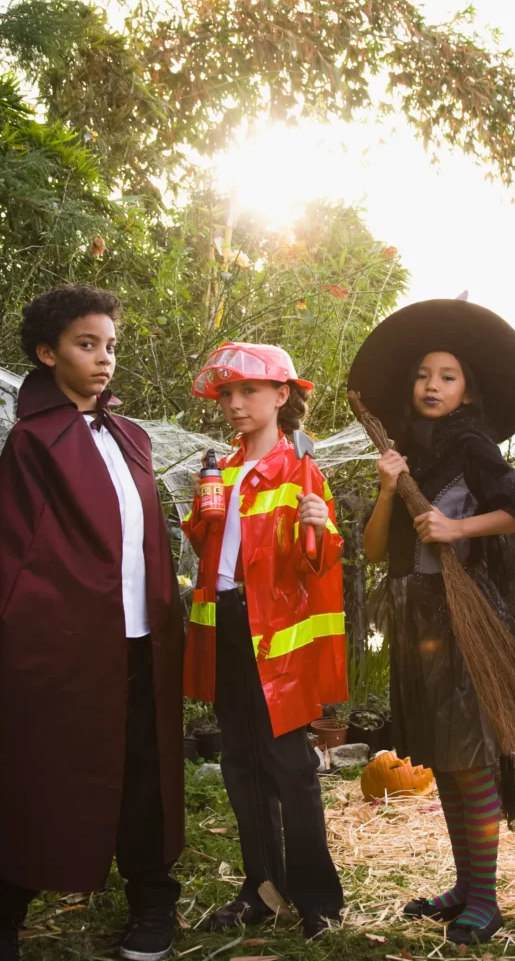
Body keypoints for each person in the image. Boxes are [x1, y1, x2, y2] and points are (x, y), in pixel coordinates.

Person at [349, 299, 515, 946]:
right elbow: (377, 550)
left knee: (471, 762)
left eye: (447, 375)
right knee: (445, 760)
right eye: (422, 375)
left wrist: (459, 525)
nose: (431, 385)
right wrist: (387, 489)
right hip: (417, 619)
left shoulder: (470, 446)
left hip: (467, 623)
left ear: (468, 391)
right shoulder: (405, 451)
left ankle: (485, 901)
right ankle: (465, 887)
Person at [0, 285, 185, 961]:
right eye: (86, 344)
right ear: (48, 354)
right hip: (68, 643)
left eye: (110, 345)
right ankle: (10, 903)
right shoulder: (30, 442)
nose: (104, 358)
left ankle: (151, 897)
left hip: (143, 637)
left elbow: (146, 537)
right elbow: (20, 550)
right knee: (44, 764)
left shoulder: (132, 437)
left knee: (146, 767)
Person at [182, 342, 347, 940]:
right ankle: (261, 888)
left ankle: (318, 898)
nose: (234, 403)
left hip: (275, 633)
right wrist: (200, 520)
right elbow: (211, 552)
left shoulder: (300, 469)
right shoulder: (219, 470)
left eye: (248, 390)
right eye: (226, 393)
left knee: (291, 764)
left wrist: (315, 527)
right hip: (224, 624)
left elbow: (322, 560)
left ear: (282, 395)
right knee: (239, 760)